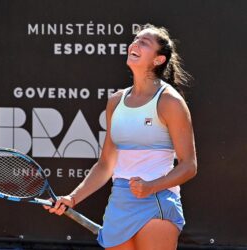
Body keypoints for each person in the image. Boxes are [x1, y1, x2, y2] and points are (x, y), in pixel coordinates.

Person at [44, 24, 197, 250]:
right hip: (120, 202)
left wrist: (151, 186)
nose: (135, 44)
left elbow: (189, 166)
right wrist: (72, 198)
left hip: (157, 201)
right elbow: (106, 164)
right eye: (135, 40)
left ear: (158, 60)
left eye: (144, 43)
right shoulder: (116, 102)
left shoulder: (170, 102)